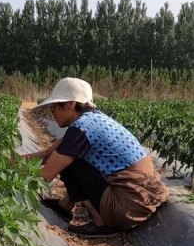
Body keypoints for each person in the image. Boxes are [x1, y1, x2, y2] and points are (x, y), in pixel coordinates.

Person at [24, 77, 169, 237]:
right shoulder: (93, 121)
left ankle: (102, 223)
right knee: (69, 157)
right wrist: (10, 161)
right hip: (141, 198)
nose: (52, 111)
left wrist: (14, 187)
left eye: (55, 106)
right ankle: (65, 207)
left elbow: (45, 177)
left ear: (71, 104)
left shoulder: (81, 129)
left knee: (73, 163)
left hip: (127, 206)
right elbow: (48, 155)